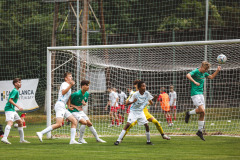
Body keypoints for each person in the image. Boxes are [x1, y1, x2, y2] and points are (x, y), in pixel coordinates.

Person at [36, 72, 80, 144]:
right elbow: (63, 92)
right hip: (59, 105)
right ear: (65, 78)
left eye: (71, 76)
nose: (71, 77)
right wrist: (71, 85)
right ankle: (41, 133)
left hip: (63, 107)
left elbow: (69, 97)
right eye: (69, 76)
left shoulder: (69, 86)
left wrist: (69, 106)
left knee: (74, 121)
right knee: (59, 124)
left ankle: (72, 140)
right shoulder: (64, 84)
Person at [185, 61, 221, 141]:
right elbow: (188, 75)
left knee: (203, 113)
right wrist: (194, 81)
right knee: (201, 110)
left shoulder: (204, 74)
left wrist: (217, 70)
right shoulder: (196, 71)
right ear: (202, 66)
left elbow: (211, 77)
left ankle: (199, 131)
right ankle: (189, 113)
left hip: (201, 94)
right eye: (205, 69)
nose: (206, 71)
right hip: (195, 94)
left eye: (207, 69)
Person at [114, 81, 154, 145]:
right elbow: (126, 104)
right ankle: (118, 140)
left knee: (146, 125)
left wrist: (151, 101)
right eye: (143, 86)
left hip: (141, 112)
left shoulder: (147, 93)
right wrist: (133, 101)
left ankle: (148, 141)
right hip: (133, 112)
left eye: (145, 86)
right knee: (128, 124)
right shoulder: (135, 94)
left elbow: (151, 102)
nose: (145, 87)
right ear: (139, 88)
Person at [1, 78, 30, 144]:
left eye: (20, 82)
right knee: (10, 123)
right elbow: (10, 100)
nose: (20, 84)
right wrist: (18, 107)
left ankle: (22, 140)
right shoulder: (15, 91)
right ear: (15, 84)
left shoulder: (16, 90)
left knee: (20, 122)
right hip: (9, 109)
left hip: (12, 110)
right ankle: (4, 138)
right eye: (19, 82)